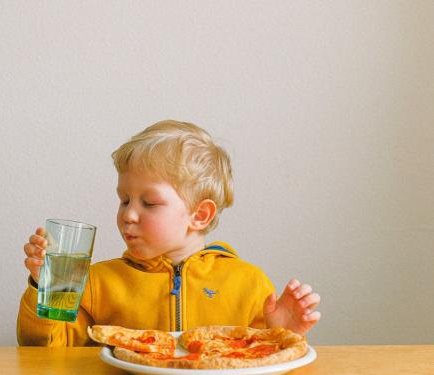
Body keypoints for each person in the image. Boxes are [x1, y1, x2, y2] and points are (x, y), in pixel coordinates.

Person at [17, 120, 321, 346]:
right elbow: (45, 350)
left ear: (199, 215)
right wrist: (45, 285)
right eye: (124, 200)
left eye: (148, 203)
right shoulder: (98, 284)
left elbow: (263, 361)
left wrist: (283, 334)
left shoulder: (249, 284)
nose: (128, 214)